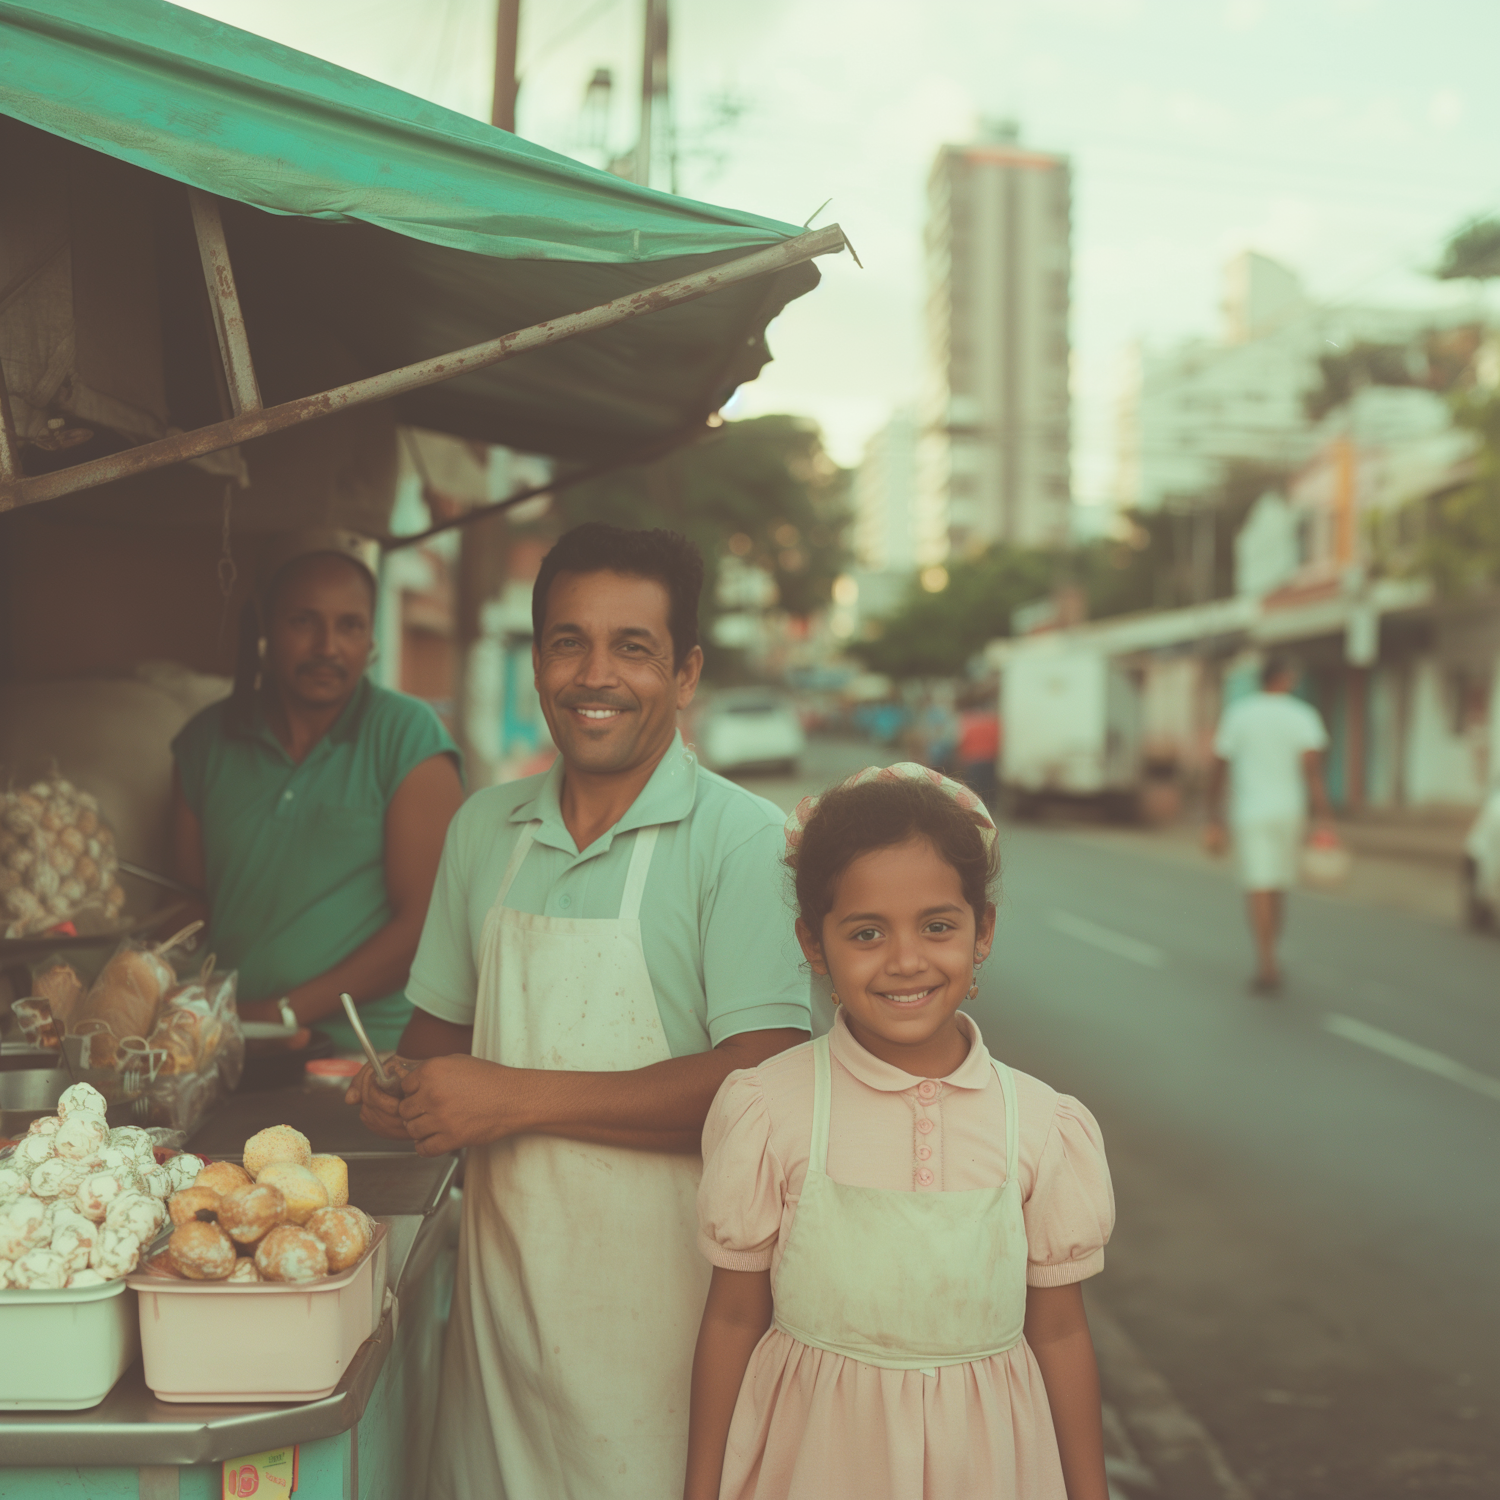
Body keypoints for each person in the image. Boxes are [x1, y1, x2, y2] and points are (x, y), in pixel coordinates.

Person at [345, 523, 811, 1500]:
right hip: (502, 1327)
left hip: (676, 1341)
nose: (594, 674)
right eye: (568, 641)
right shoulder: (485, 828)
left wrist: (508, 1100)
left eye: (632, 648)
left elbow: (767, 1087)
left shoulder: (742, 841)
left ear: (684, 674)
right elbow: (435, 1044)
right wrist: (401, 1093)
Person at [684, 763, 1115, 1500]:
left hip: (987, 1468)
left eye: (938, 926)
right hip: (815, 1462)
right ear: (813, 945)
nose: (906, 960)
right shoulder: (772, 1109)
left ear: (984, 931)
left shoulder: (1041, 1124)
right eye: (866, 932)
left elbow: (1062, 1334)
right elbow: (730, 1320)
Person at [171, 529, 464, 1053]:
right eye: (303, 621)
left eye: (349, 626)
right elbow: (189, 906)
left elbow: (429, 922)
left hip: (367, 1056)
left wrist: (283, 1012)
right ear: (265, 625)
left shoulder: (406, 735)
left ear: (372, 637)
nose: (327, 647)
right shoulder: (205, 742)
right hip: (230, 1049)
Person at [1204, 657, 1334, 994]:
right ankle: (1271, 953)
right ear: (1286, 679)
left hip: (1250, 812)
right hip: (1290, 811)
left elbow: (1219, 765)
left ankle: (1266, 961)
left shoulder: (1239, 713)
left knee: (1258, 885)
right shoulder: (1303, 715)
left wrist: (1213, 815)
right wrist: (1325, 817)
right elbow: (1313, 771)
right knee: (1277, 885)